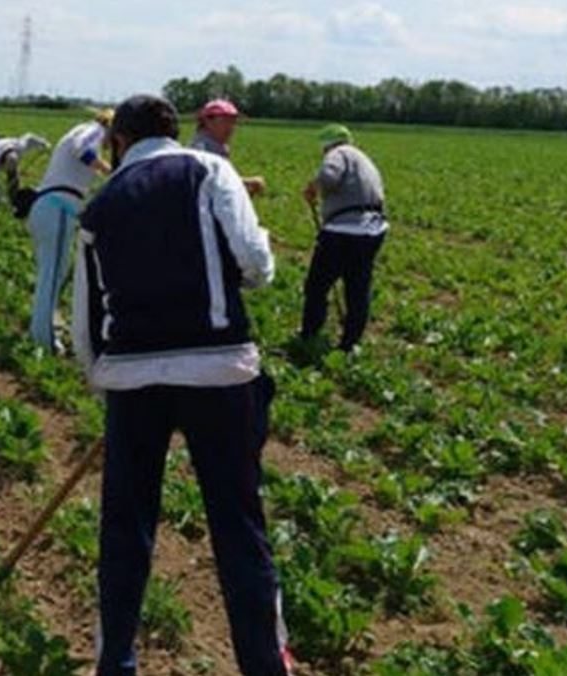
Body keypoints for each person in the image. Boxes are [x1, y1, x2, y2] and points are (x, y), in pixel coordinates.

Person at [73, 95, 290, 676]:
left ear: (120, 140)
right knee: (239, 525)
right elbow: (256, 264)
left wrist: (109, 385)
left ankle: (115, 663)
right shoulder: (211, 170)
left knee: (126, 528)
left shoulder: (100, 206)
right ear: (173, 131)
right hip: (219, 372)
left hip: (132, 380)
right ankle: (265, 665)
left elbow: (86, 323)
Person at [26, 108, 112, 351]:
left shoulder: (82, 130)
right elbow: (81, 149)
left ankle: (41, 327)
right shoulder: (94, 130)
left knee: (53, 273)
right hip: (57, 208)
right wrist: (111, 172)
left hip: (50, 207)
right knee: (53, 275)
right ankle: (43, 339)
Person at [299, 123, 388, 352]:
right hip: (373, 230)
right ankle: (350, 343)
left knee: (317, 286)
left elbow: (329, 176)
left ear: (326, 145)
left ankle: (309, 334)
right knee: (358, 287)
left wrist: (313, 187)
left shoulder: (337, 154)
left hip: (343, 231)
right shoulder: (364, 159)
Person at [189, 98, 266, 196]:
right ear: (208, 122)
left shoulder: (219, 146)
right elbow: (213, 183)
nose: (231, 127)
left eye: (233, 122)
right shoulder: (201, 148)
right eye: (224, 121)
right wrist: (247, 182)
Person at [0, 132, 51, 203]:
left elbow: (29, 137)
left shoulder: (20, 146)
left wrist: (44, 143)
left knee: (13, 176)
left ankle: (13, 198)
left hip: (6, 144)